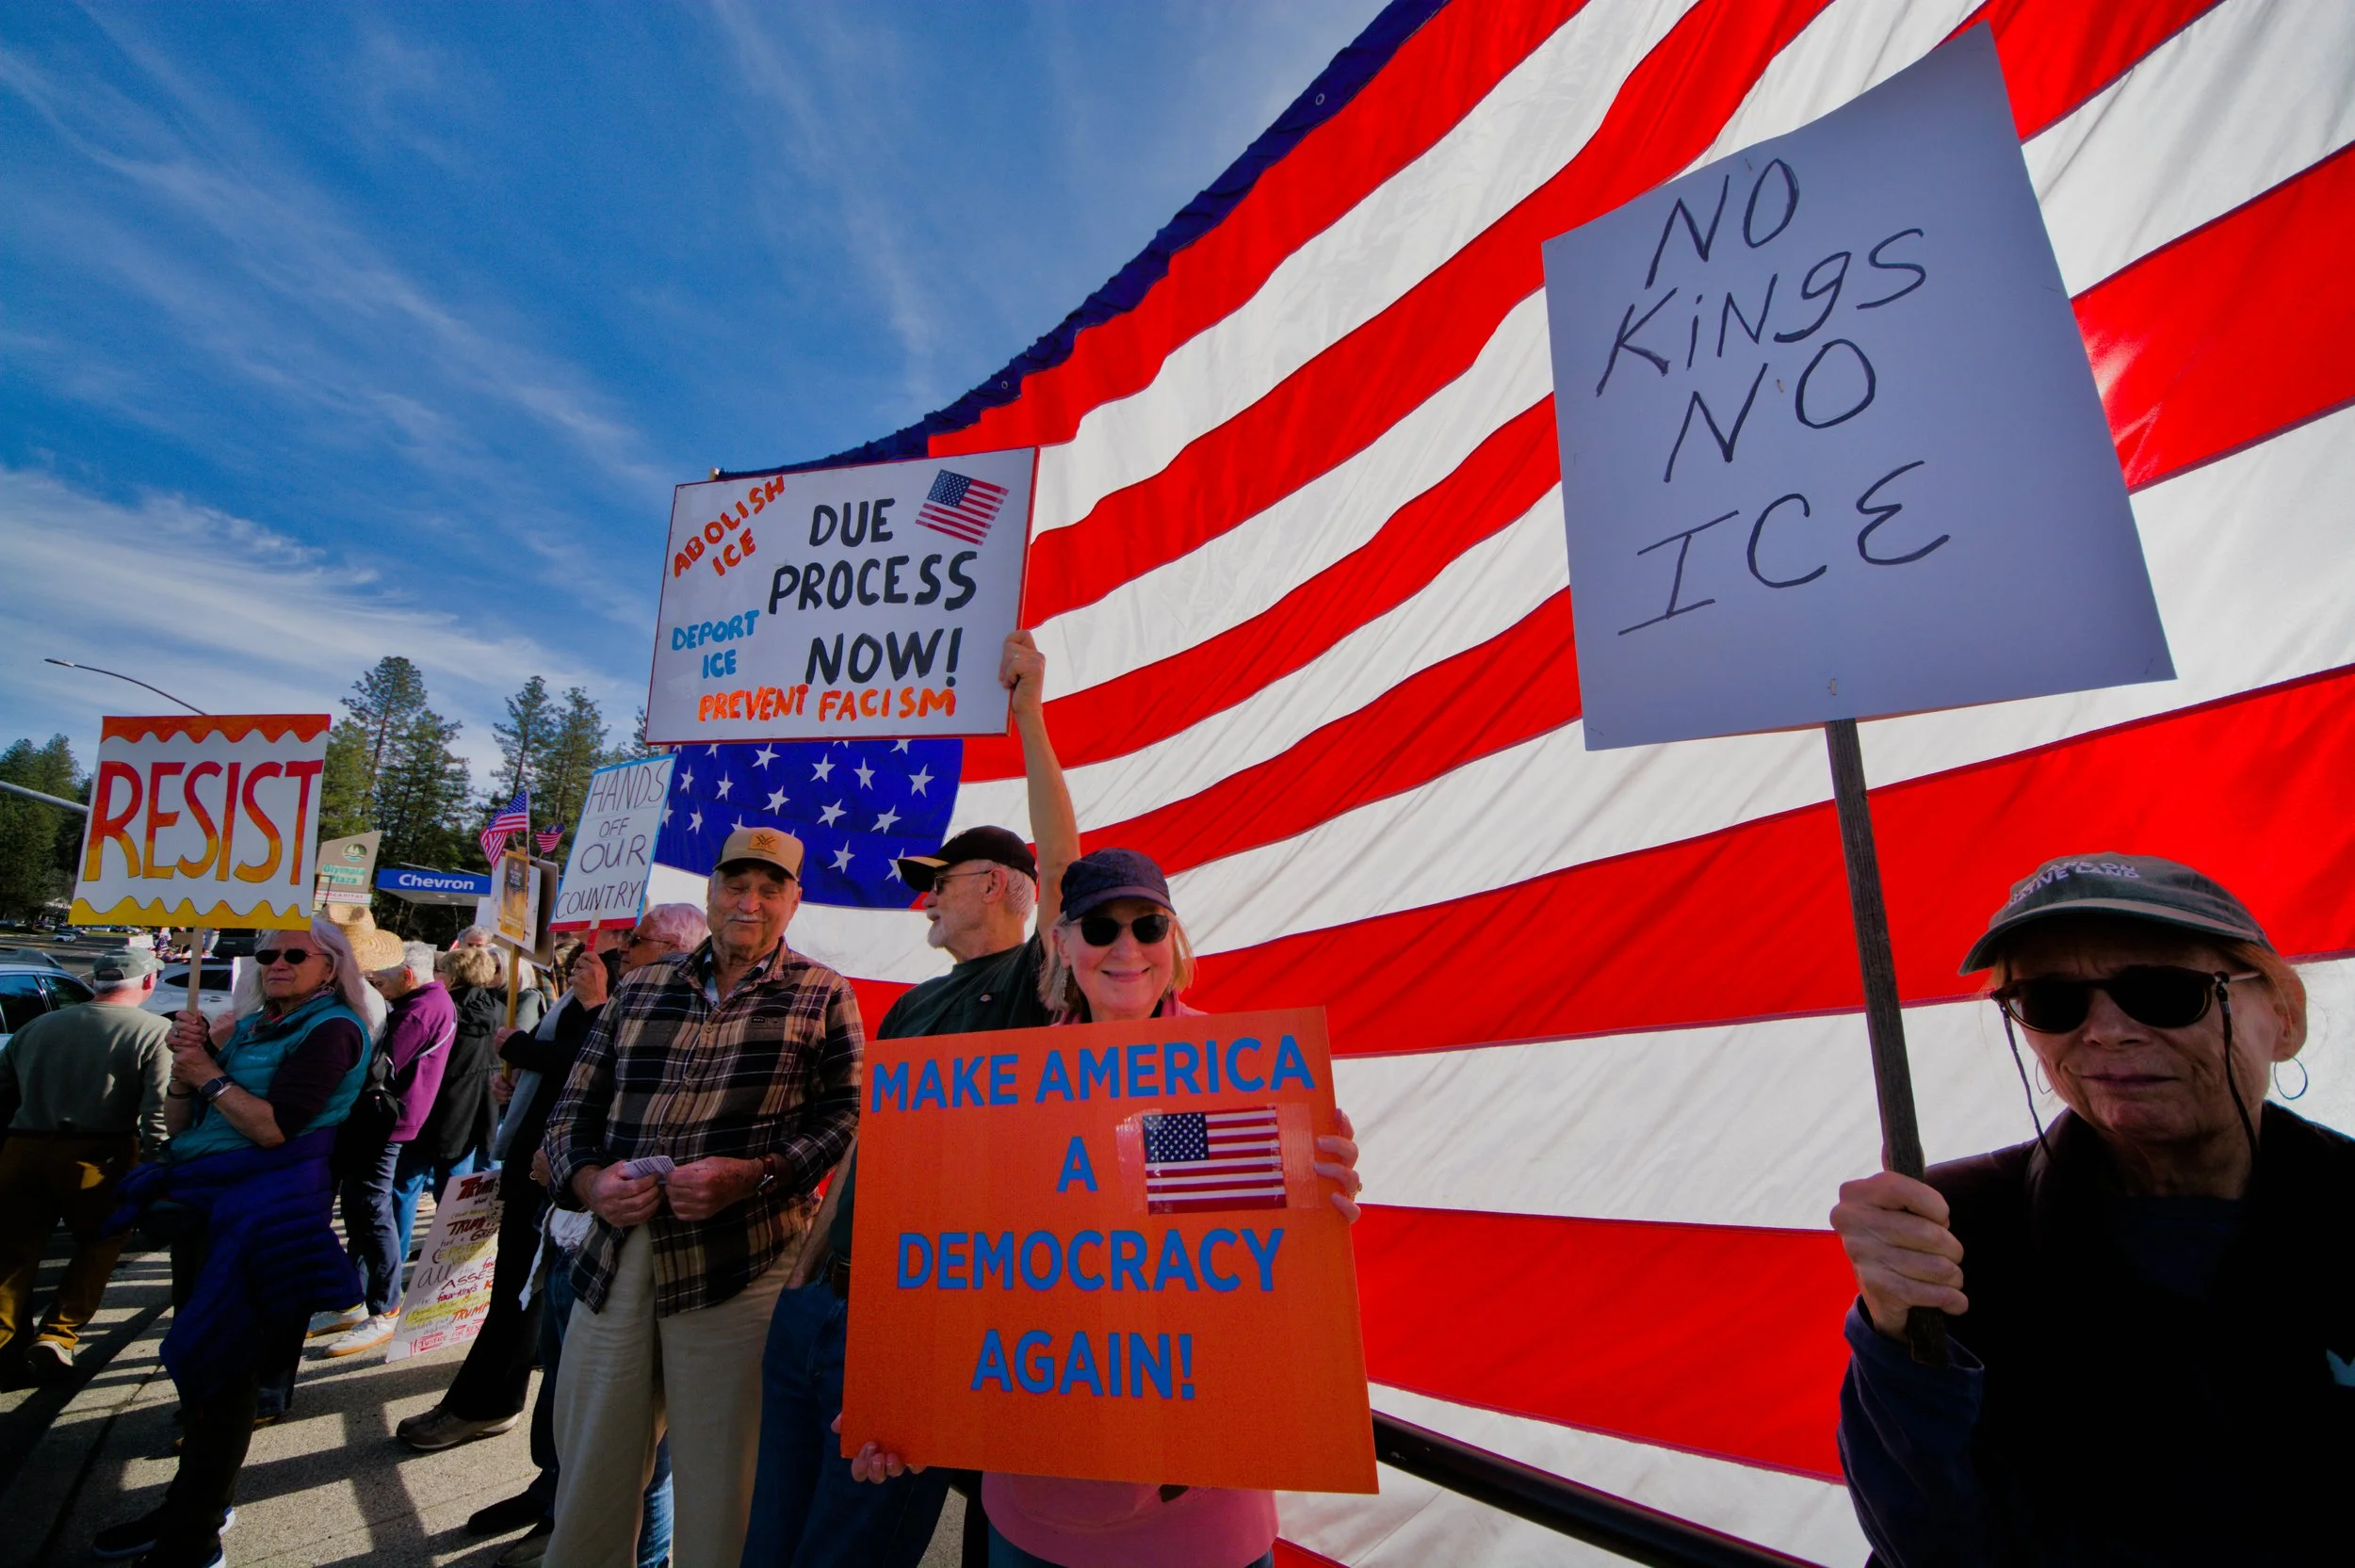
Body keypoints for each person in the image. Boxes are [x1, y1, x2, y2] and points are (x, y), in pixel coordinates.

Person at [848, 846, 1364, 1568]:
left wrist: (1319, 1197)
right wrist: (899, 1397)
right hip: (1036, 1522)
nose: (1127, 947)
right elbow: (952, 1271)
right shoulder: (995, 1089)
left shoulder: (1244, 1076)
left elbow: (1257, 1284)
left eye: (1149, 925)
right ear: (1061, 942)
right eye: (1100, 927)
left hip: (1206, 1526)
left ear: (1173, 940)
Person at [1830, 853, 2347, 1566]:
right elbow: (1927, 1538)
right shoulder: (1951, 1231)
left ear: (2283, 1016)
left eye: (2164, 991)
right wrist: (1897, 1337)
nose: (2104, 1030)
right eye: (2051, 1000)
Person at [741, 630, 1078, 1568]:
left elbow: (1065, 869)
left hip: (917, 1324)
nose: (922, 901)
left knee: (843, 1556)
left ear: (1002, 889)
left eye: (940, 884)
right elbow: (864, 1150)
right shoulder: (915, 1003)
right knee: (766, 1542)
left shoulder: (1031, 986)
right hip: (819, 1312)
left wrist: (1029, 715)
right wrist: (807, 1270)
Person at [541, 827, 864, 1568]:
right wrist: (592, 1183)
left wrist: (756, 1174)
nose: (748, 902)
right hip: (615, 1257)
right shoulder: (642, 987)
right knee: (588, 1484)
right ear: (710, 891)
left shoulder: (822, 993)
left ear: (794, 901)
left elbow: (847, 1118)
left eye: (769, 887)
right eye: (734, 884)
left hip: (743, 1263)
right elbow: (571, 1113)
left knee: (728, 1499)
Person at [93, 916, 384, 1568]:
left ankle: (194, 1537)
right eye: (265, 953)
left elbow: (275, 1127)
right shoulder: (253, 1025)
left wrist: (207, 1070)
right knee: (202, 1370)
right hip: (209, 1200)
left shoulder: (335, 1029)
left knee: (223, 1370)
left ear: (331, 965)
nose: (275, 962)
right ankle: (192, 1506)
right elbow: (180, 1120)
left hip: (265, 1211)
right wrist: (185, 1069)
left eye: (293, 954)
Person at [413, 906, 712, 1461]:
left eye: (636, 939)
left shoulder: (661, 1003)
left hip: (589, 1188)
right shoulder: (611, 990)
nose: (622, 947)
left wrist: (540, 1037)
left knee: (550, 1319)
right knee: (521, 1297)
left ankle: (539, 1465)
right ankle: (498, 1414)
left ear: (673, 947)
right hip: (545, 1168)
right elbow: (572, 1070)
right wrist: (523, 1086)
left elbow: (619, 1071)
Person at [0, 946, 171, 1378]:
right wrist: (157, 1167)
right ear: (148, 983)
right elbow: (157, 1112)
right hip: (101, 1153)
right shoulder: (154, 1032)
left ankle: (4, 1340)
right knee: (100, 1242)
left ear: (97, 981)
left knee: (14, 1249)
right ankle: (58, 1333)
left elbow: (4, 1091)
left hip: (23, 1146)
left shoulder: (37, 1025)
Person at [312, 937, 456, 1357]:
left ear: (408, 976)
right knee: (361, 1209)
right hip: (388, 1122)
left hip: (384, 1125)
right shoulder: (432, 1001)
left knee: (372, 1212)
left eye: (383, 977)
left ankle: (384, 1307)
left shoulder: (419, 1009)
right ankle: (355, 1301)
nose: (376, 982)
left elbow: (379, 1066)